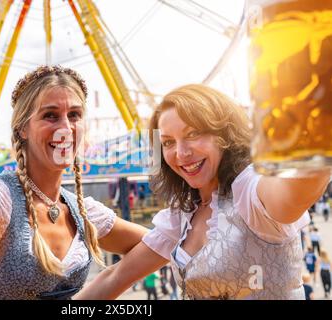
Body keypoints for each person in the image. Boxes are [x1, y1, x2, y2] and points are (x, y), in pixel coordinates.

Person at [75, 84, 330, 300]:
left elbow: (292, 196)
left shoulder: (249, 190)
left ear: (225, 134)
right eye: (168, 143)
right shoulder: (182, 215)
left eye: (194, 134)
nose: (181, 153)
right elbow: (117, 276)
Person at [0, 65, 147, 299]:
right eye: (50, 115)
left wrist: (109, 282)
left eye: (74, 115)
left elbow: (157, 244)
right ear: (22, 129)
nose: (66, 128)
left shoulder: (82, 212)